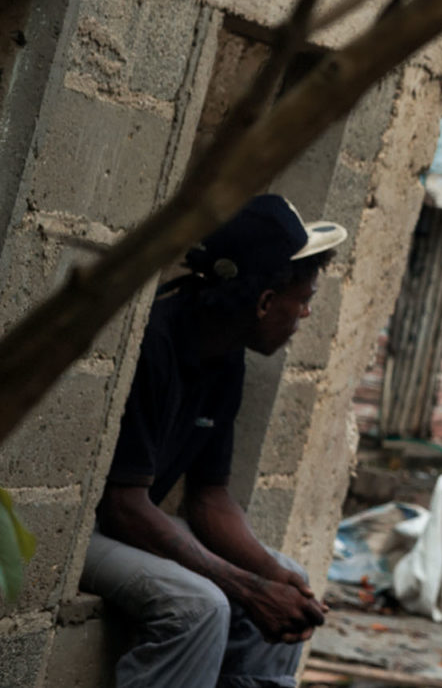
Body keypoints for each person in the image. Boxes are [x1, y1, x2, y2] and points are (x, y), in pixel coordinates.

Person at [81, 194, 347, 688]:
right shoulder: (155, 342)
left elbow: (210, 498)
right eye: (303, 300)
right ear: (265, 301)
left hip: (130, 521)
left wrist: (269, 573)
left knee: (286, 573)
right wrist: (248, 588)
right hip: (84, 532)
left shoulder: (226, 355)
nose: (306, 313)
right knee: (201, 606)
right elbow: (122, 506)